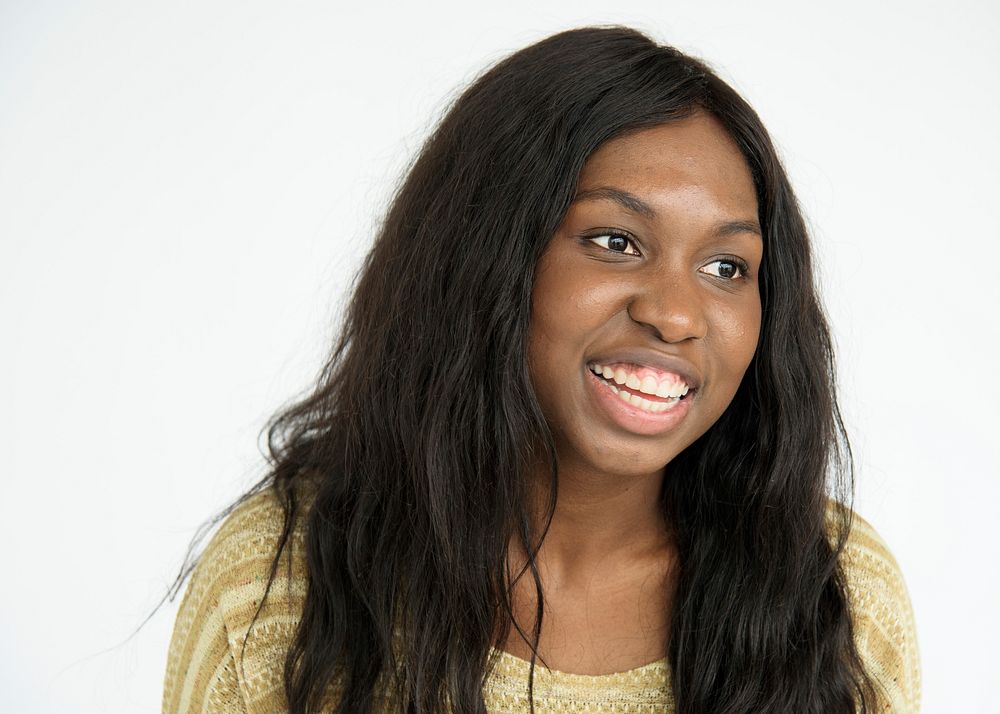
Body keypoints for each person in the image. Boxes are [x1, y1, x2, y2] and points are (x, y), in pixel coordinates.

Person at [162, 26, 920, 714]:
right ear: (485, 257)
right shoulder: (274, 586)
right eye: (616, 241)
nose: (678, 314)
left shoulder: (837, 591)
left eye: (727, 266)